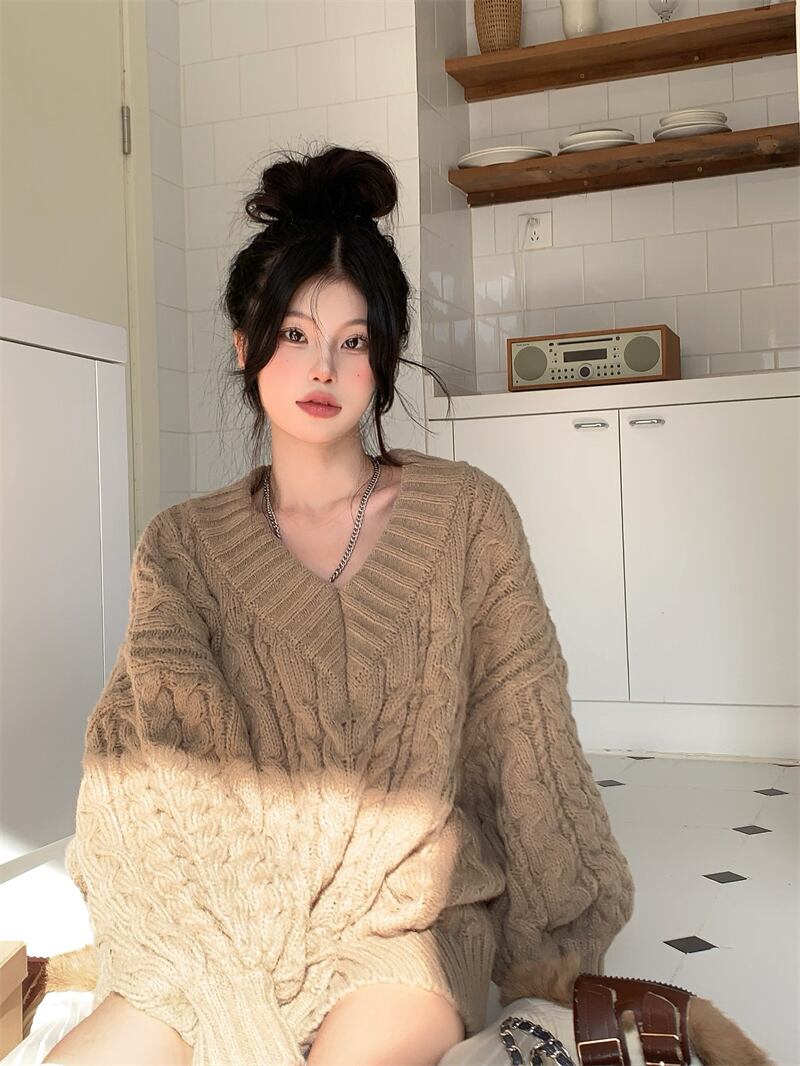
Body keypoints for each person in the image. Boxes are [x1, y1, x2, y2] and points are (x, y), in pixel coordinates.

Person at [45, 144, 635, 1066]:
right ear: (244, 346)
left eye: (354, 341)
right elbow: (152, 768)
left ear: (383, 362)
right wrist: (223, 941)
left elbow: (524, 734)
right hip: (226, 920)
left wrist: (554, 959)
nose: (322, 366)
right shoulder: (181, 546)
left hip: (405, 921)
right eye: (293, 334)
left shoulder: (466, 516)